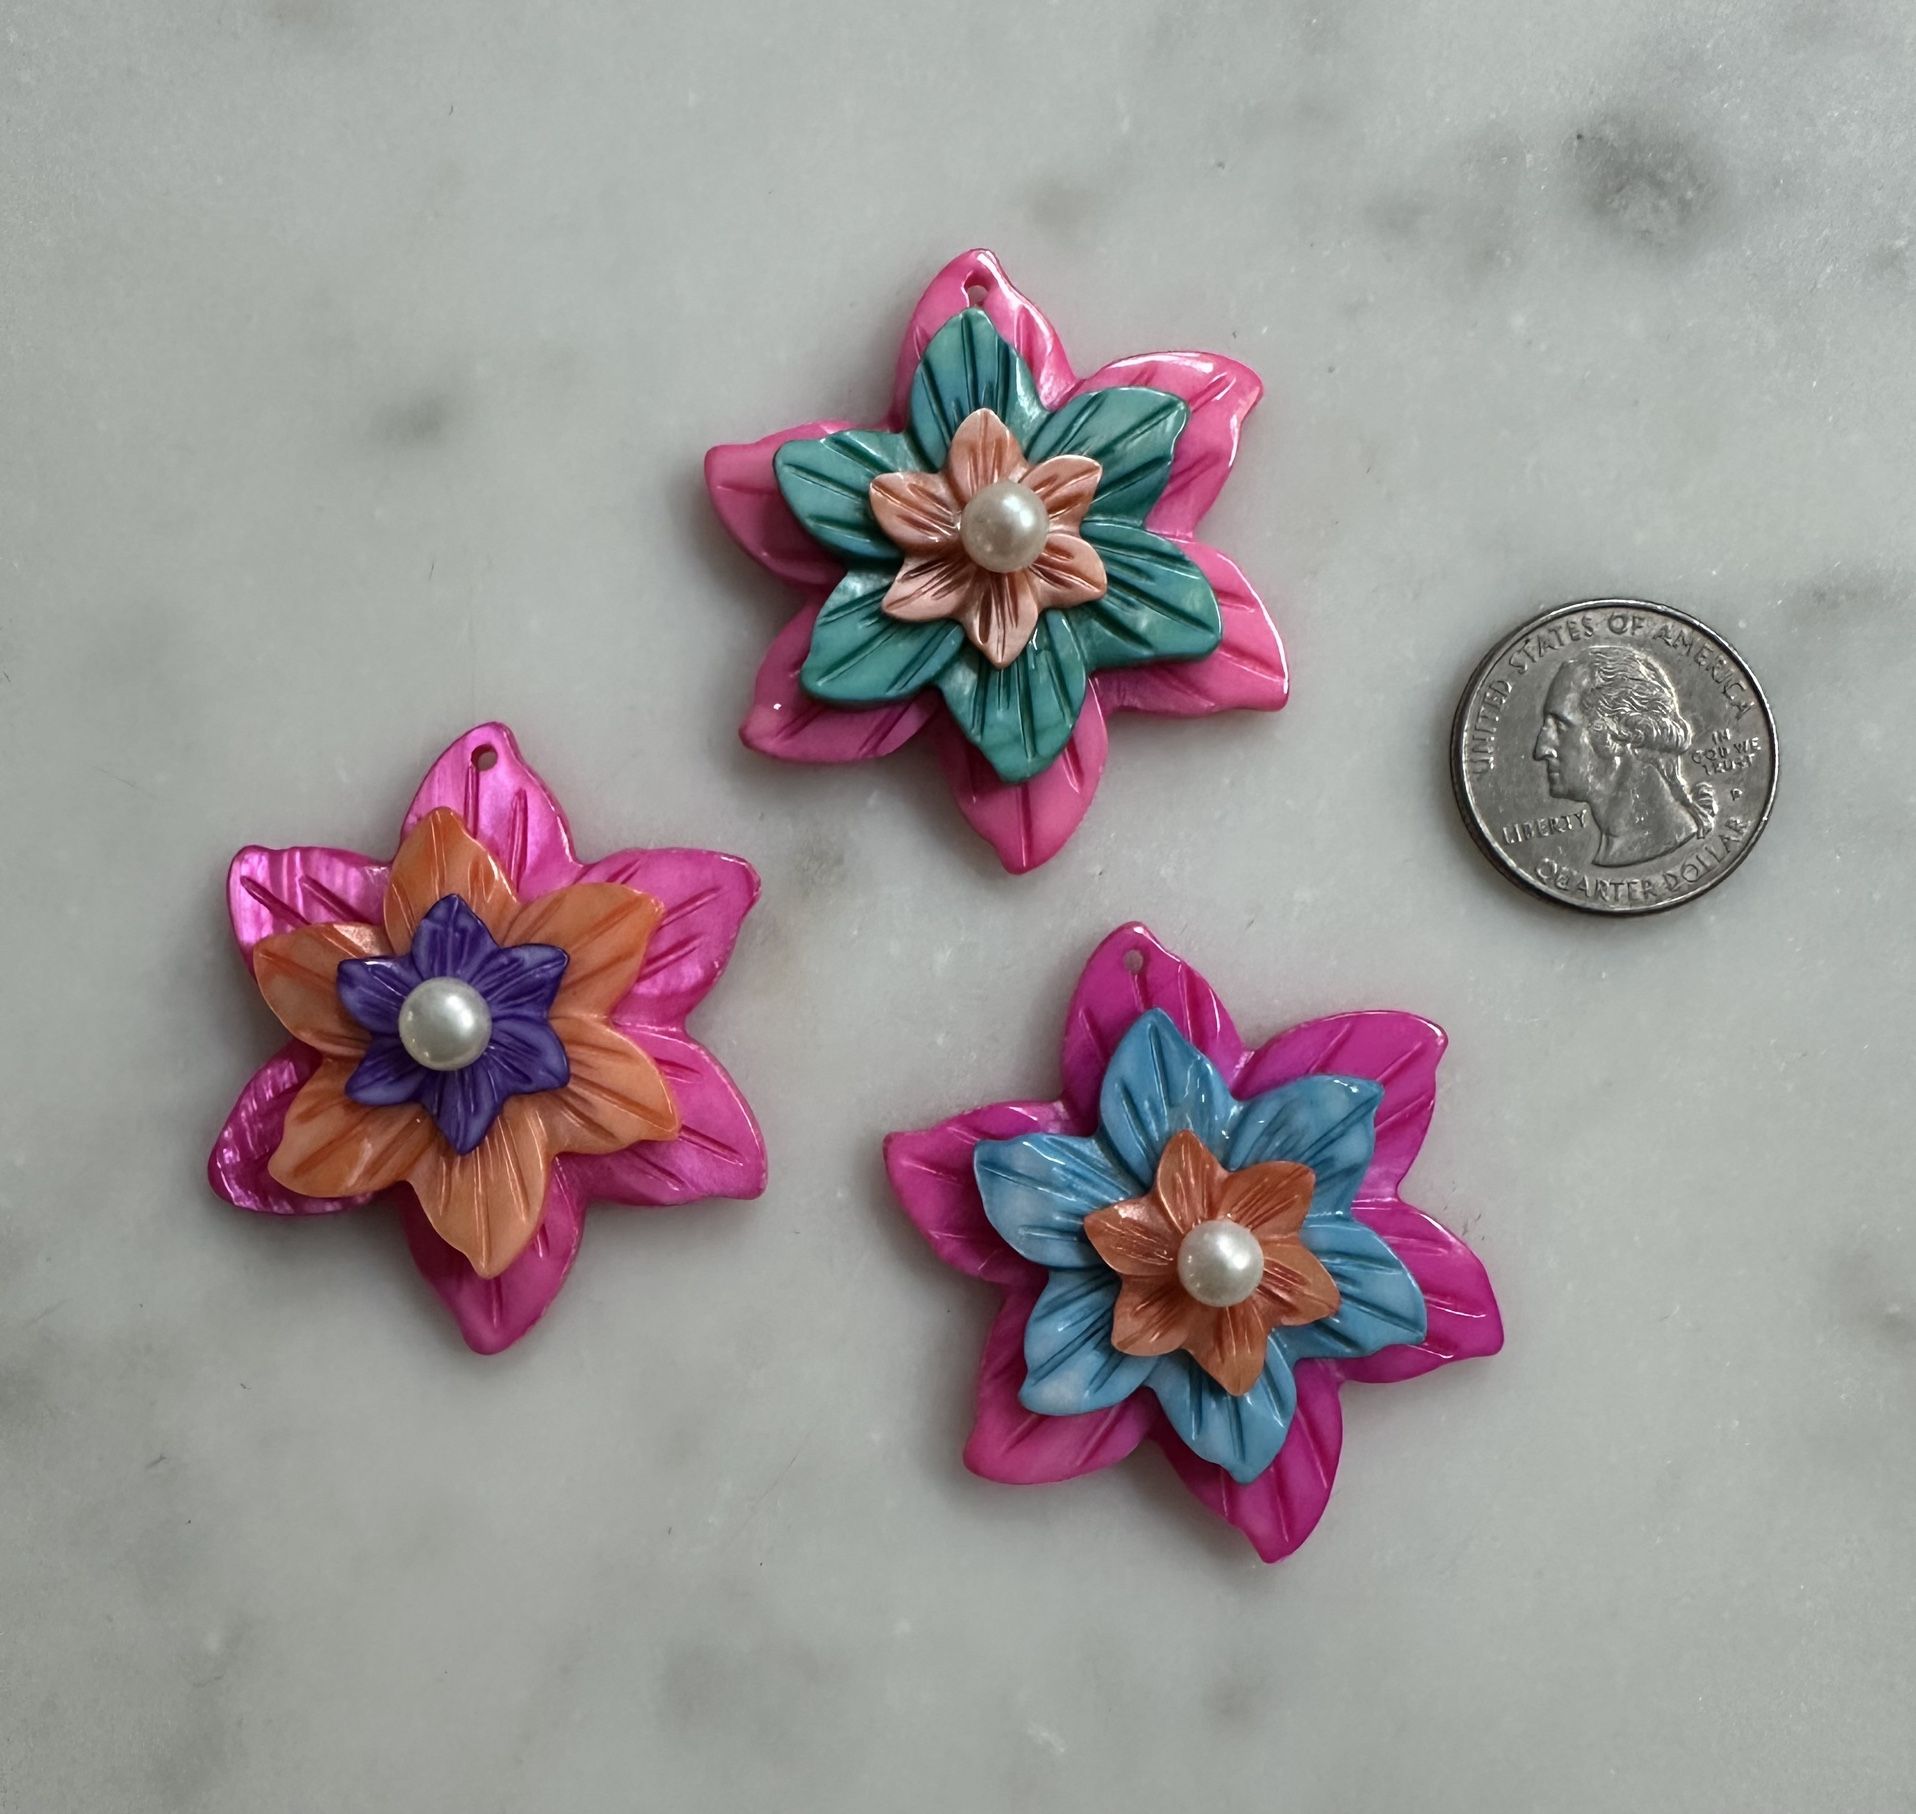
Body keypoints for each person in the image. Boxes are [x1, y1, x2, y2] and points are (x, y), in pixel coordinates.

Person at [1532, 645, 1716, 867]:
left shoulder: (1661, 840)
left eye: (1560, 727)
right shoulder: (1615, 848)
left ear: (1617, 731)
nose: (1541, 749)